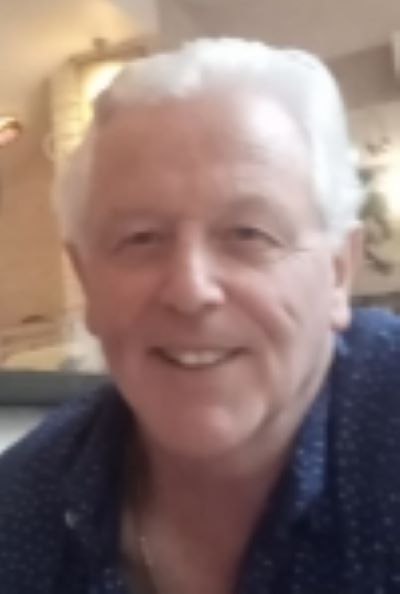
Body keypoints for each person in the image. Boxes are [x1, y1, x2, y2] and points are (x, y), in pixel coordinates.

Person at [1, 38, 400, 594]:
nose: (190, 290)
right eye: (141, 238)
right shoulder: (19, 509)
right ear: (87, 281)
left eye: (248, 234)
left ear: (338, 271)